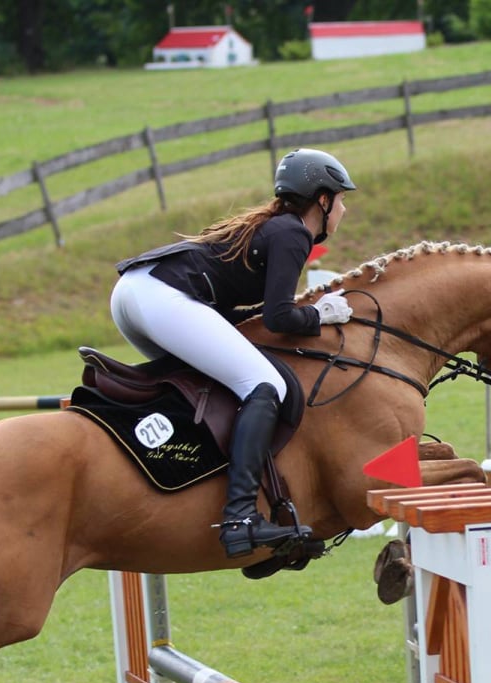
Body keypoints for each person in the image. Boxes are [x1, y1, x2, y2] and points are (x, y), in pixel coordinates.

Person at [110, 148, 357, 559]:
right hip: (161, 296)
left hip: (134, 294)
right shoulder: (294, 232)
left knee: (213, 385)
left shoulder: (275, 228)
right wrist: (319, 314)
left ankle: (185, 472)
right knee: (266, 384)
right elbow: (279, 318)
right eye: (342, 199)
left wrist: (304, 310)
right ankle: (240, 516)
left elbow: (249, 313)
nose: (344, 209)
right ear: (323, 200)